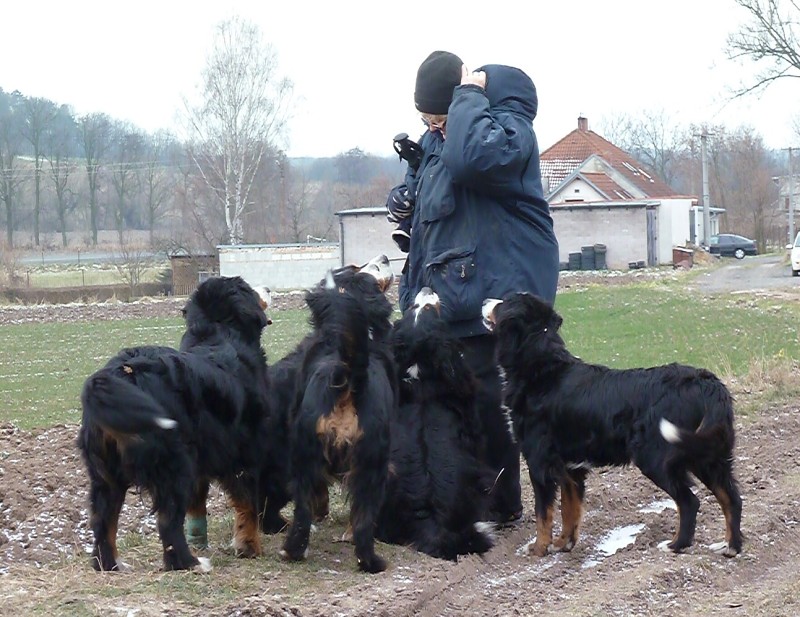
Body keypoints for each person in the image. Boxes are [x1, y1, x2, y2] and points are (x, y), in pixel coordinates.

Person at [386, 50, 559, 524]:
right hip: (453, 282)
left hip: (499, 282)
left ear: (462, 100)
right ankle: (464, 496)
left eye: (438, 118)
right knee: (452, 399)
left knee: (487, 399)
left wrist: (466, 98)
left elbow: (471, 162)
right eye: (427, 121)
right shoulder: (449, 133)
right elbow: (431, 195)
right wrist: (403, 199)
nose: (434, 128)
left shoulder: (506, 129)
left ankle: (502, 505)